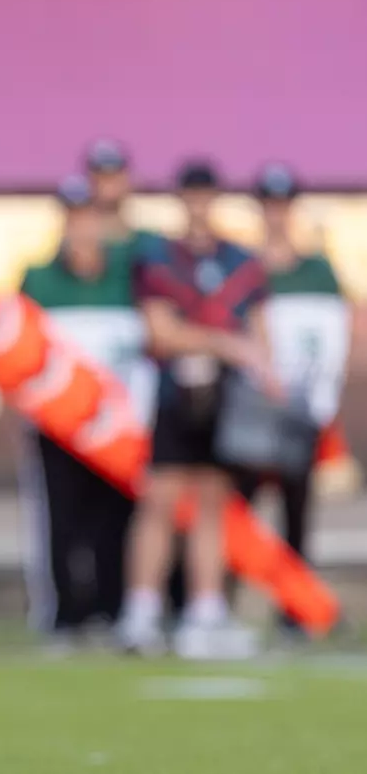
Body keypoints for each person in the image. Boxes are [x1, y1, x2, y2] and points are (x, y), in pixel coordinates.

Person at [118, 160, 275, 659]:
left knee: (213, 502)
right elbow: (161, 333)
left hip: (224, 398)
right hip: (175, 393)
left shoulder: (238, 261)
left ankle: (204, 611)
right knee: (161, 500)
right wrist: (226, 345)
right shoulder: (160, 258)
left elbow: (259, 330)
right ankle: (141, 610)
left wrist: (261, 370)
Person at [18, 175, 151, 637]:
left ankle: (112, 608)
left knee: (114, 520)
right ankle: (66, 614)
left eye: (88, 218)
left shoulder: (130, 276)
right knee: (62, 520)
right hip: (58, 424)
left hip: (116, 426)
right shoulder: (38, 278)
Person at [241, 163, 349, 631]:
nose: (276, 214)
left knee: (296, 514)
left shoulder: (318, 271)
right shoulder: (241, 268)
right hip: (248, 409)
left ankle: (295, 609)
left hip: (299, 409)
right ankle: (220, 606)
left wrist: (322, 402)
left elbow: (333, 339)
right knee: (237, 510)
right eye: (269, 205)